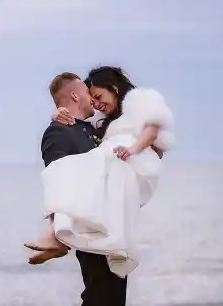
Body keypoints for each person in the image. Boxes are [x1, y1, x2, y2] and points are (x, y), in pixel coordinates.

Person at [24, 68, 175, 306]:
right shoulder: (60, 131)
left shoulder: (95, 128)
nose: (94, 101)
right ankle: (55, 236)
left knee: (113, 295)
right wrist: (56, 224)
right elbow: (57, 178)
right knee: (99, 293)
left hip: (112, 219)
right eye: (88, 93)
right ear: (75, 95)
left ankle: (56, 237)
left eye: (97, 95)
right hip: (91, 225)